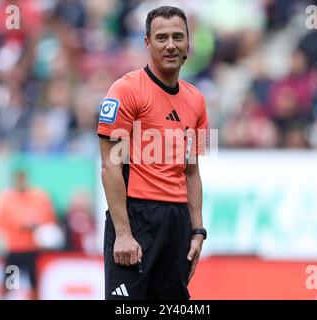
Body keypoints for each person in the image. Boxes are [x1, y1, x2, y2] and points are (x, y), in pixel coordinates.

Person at [98, 6, 208, 300]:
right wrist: (123, 233)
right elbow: (110, 167)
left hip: (177, 223)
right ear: (147, 43)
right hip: (137, 217)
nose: (170, 45)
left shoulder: (196, 100)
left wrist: (197, 231)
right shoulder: (127, 91)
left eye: (177, 37)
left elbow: (192, 171)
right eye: (161, 38)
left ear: (188, 42)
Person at [0, 169, 57, 299]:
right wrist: (19, 225)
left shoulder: (38, 197)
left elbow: (49, 218)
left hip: (32, 249)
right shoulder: (6, 199)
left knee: (34, 284)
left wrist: (35, 224)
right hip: (14, 248)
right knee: (9, 283)